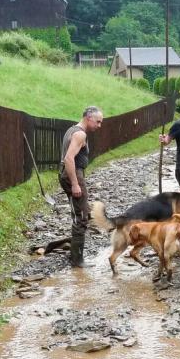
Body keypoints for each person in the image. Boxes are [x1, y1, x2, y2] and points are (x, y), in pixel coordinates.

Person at [60, 106, 104, 267]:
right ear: (88, 118)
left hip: (70, 174)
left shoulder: (72, 130)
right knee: (82, 218)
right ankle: (77, 260)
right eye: (98, 122)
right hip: (73, 174)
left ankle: (74, 254)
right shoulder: (80, 134)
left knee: (80, 214)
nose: (99, 125)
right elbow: (69, 159)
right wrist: (75, 184)